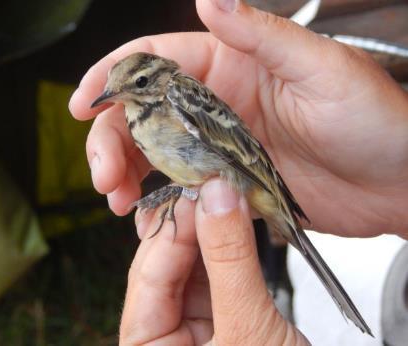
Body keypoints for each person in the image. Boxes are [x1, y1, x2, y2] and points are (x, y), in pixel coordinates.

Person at [69, 0, 408, 344]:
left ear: (158, 80)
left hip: (249, 179)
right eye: (115, 89)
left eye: (139, 84)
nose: (121, 95)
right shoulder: (137, 118)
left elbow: (233, 163)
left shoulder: (178, 96)